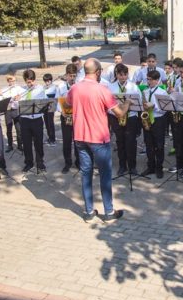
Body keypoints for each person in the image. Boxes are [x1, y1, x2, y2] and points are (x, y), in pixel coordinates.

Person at [66, 58, 130, 222]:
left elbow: (68, 104)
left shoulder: (74, 88)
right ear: (99, 72)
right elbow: (120, 114)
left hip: (80, 137)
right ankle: (108, 212)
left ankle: (88, 212)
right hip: (99, 138)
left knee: (85, 174)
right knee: (105, 175)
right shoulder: (102, 89)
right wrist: (127, 103)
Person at [108, 64, 141, 176]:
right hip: (116, 117)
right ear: (116, 75)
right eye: (120, 75)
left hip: (131, 117)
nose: (122, 77)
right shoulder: (110, 87)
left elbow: (139, 102)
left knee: (131, 142)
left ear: (127, 75)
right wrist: (116, 112)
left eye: (125, 75)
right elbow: (108, 105)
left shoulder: (133, 87)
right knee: (120, 142)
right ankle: (122, 166)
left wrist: (131, 103)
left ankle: (132, 166)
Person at [17, 69, 47, 173]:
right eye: (28, 82)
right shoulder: (20, 90)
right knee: (26, 143)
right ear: (25, 81)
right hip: (25, 120)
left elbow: (45, 103)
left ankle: (40, 162)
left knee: (38, 142)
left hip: (37, 119)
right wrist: (16, 100)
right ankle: (28, 163)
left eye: (32, 81)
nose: (31, 83)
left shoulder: (40, 89)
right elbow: (16, 106)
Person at [140, 70, 168, 179]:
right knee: (149, 145)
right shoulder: (146, 91)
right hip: (147, 120)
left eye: (150, 80)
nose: (148, 81)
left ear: (157, 80)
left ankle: (159, 168)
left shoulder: (162, 93)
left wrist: (153, 106)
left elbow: (164, 109)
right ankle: (150, 166)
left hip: (158, 120)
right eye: (147, 79)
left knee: (159, 145)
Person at [57, 64, 79, 174]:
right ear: (66, 75)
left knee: (78, 140)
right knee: (66, 141)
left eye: (74, 75)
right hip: (65, 116)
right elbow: (57, 102)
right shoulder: (61, 87)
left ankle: (78, 162)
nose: (72, 78)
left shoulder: (79, 86)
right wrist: (62, 112)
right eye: (70, 76)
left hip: (77, 116)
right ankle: (67, 163)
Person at [2, 75, 24, 152]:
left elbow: (22, 95)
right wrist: (12, 98)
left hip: (16, 109)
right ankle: (10, 145)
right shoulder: (4, 89)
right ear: (8, 81)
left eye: (14, 81)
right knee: (9, 129)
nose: (13, 82)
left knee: (18, 129)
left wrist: (19, 97)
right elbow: (4, 98)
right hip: (8, 110)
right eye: (11, 81)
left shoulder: (18, 88)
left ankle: (20, 145)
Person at [42, 73, 57, 146]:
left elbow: (54, 96)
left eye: (48, 81)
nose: (47, 83)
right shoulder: (43, 87)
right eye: (46, 81)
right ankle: (49, 137)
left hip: (51, 107)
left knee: (50, 123)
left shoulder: (54, 87)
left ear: (51, 80)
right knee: (46, 123)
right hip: (45, 107)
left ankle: (53, 139)